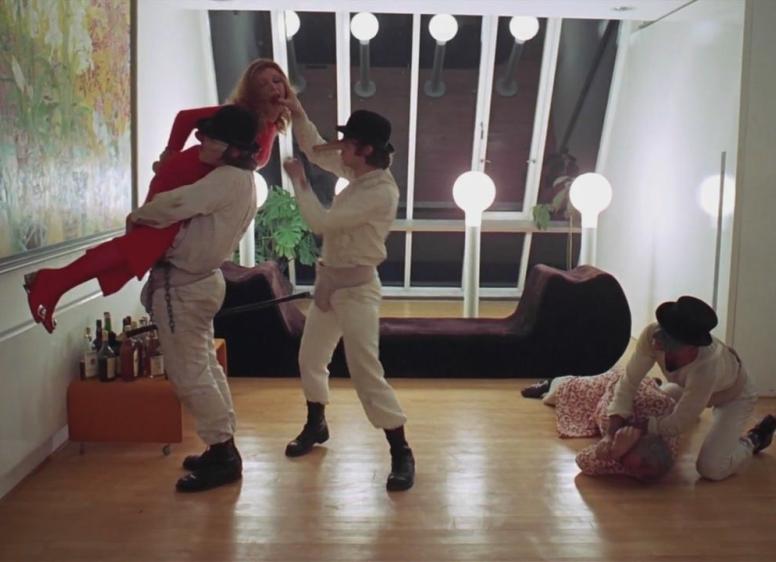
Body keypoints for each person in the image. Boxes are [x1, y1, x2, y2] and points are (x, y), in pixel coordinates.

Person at [23, 58, 290, 333]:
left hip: (198, 190)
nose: (273, 87)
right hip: (185, 176)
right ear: (252, 91)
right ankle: (52, 283)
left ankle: (53, 284)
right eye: (263, 83)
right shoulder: (239, 117)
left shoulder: (271, 126)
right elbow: (185, 118)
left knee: (137, 252)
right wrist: (169, 155)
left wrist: (295, 108)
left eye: (277, 80)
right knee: (138, 248)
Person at [278, 91, 415, 492]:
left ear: (365, 149)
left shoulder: (380, 191)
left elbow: (321, 223)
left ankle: (401, 450)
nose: (341, 148)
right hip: (329, 285)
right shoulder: (358, 174)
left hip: (357, 291)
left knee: (365, 372)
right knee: (310, 359)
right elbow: (315, 148)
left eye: (348, 142)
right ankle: (316, 424)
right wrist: (298, 111)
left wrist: (300, 182)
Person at [128, 105, 260, 492]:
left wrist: (139, 216)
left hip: (185, 287)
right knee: (203, 366)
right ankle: (221, 444)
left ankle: (223, 453)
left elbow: (177, 204)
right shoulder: (240, 178)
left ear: (233, 148)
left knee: (189, 374)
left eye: (210, 138)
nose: (202, 143)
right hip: (200, 282)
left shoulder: (225, 179)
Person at [605, 296, 776, 481]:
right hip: (691, 390)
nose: (661, 346)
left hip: (734, 396)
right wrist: (612, 430)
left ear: (694, 346)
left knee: (711, 468)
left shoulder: (708, 366)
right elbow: (629, 381)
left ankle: (755, 438)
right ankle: (692, 410)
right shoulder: (652, 336)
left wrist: (637, 428)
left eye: (675, 346)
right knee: (655, 402)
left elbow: (678, 424)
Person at [541, 369, 678, 482]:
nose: (633, 473)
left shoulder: (663, 453)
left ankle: (656, 384)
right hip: (614, 385)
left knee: (673, 391)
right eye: (642, 467)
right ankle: (553, 382)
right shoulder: (611, 420)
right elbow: (620, 391)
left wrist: (615, 452)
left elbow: (582, 461)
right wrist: (610, 437)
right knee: (559, 393)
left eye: (642, 477)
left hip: (653, 396)